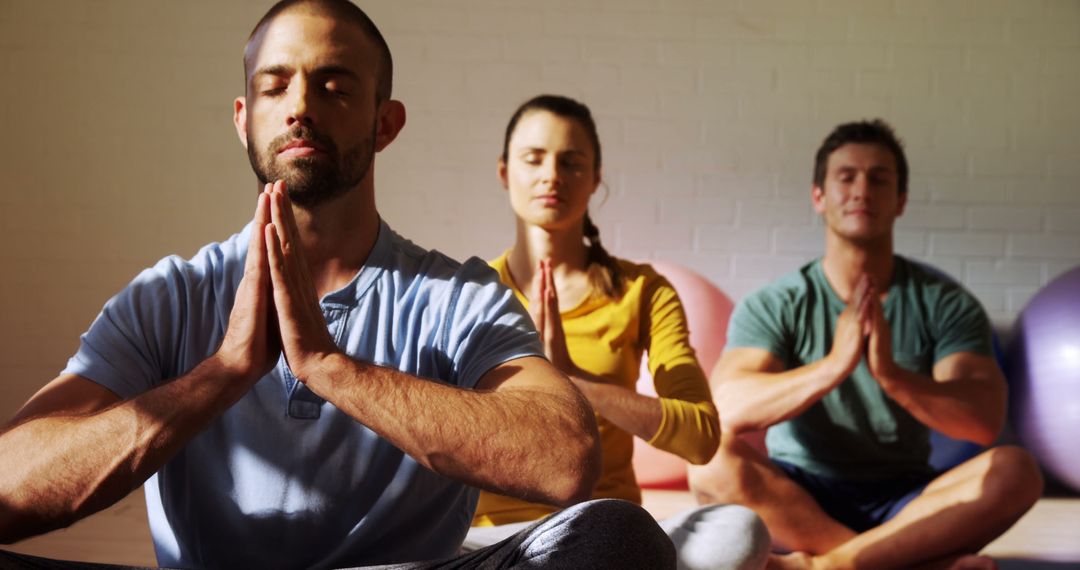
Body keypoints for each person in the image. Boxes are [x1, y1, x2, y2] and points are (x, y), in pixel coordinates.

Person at [0, 2, 680, 568]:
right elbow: (8, 485)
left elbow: (563, 460)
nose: (300, 106)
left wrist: (332, 368)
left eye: (334, 85)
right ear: (244, 118)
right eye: (275, 85)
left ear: (385, 123)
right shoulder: (170, 295)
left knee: (617, 539)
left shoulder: (456, 297)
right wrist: (221, 374)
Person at [687, 119, 1044, 569]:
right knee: (707, 460)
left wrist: (894, 377)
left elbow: (983, 421)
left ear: (901, 201)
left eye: (879, 179)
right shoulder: (777, 302)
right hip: (800, 495)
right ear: (819, 196)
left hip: (907, 497)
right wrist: (834, 364)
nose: (862, 190)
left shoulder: (945, 303)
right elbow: (726, 409)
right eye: (846, 177)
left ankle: (825, 564)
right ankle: (904, 561)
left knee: (1016, 470)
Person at [463, 94, 770, 570]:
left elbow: (700, 437)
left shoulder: (642, 290)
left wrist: (576, 382)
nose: (552, 175)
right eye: (534, 159)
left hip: (606, 529)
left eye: (571, 161)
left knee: (738, 530)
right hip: (494, 543)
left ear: (595, 178)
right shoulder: (467, 290)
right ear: (505, 172)